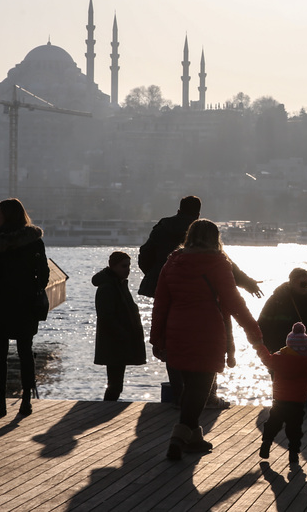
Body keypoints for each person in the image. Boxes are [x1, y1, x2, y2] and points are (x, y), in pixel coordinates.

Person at [149, 219, 264, 461]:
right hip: (208, 332)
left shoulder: (173, 262)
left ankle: (194, 438)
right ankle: (177, 439)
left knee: (190, 388)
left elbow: (160, 304)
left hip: (177, 330)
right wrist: (253, 331)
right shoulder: (218, 262)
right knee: (200, 389)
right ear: (215, 238)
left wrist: (156, 338)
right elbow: (234, 302)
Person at [139, 195, 262, 409]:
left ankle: (180, 396)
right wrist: (249, 283)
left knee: (172, 343)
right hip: (202, 299)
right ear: (198, 211)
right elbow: (226, 268)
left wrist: (154, 275)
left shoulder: (163, 229)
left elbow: (144, 253)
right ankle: (208, 397)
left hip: (168, 289)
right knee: (206, 346)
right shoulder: (201, 232)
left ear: (179, 208)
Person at [0, 198, 50, 418]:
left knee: (0, 353)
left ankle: (1, 401)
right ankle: (26, 401)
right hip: (25, 304)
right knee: (25, 351)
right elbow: (43, 274)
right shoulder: (34, 240)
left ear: (7, 215)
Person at [254, 322, 307, 464]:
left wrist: (259, 346)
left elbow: (265, 358)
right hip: (297, 403)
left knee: (273, 422)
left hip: (279, 401)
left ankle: (267, 441)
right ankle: (293, 453)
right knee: (294, 429)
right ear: (306, 348)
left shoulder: (278, 359)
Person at [92, 251, 146, 401]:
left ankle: (108, 408)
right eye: (124, 266)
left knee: (116, 384)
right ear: (113, 266)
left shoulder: (119, 284)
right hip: (114, 343)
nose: (127, 269)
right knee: (115, 384)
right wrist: (124, 334)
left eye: (128, 266)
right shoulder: (108, 287)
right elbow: (106, 317)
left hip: (118, 341)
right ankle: (107, 409)